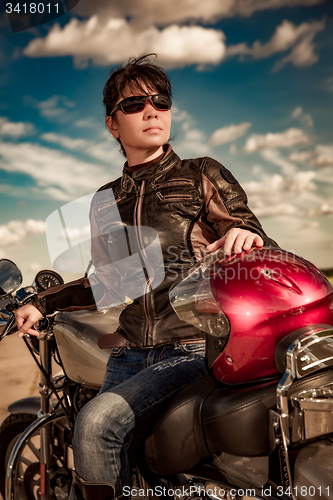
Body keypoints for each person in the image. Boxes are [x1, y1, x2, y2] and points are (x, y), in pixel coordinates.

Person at [15, 54, 278, 500]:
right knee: (122, 454)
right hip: (130, 353)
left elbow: (251, 232)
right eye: (134, 103)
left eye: (160, 99)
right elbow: (111, 284)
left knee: (96, 425)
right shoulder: (105, 200)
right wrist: (43, 302)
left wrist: (242, 231)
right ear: (112, 125)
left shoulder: (200, 173)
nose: (152, 110)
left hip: (196, 346)